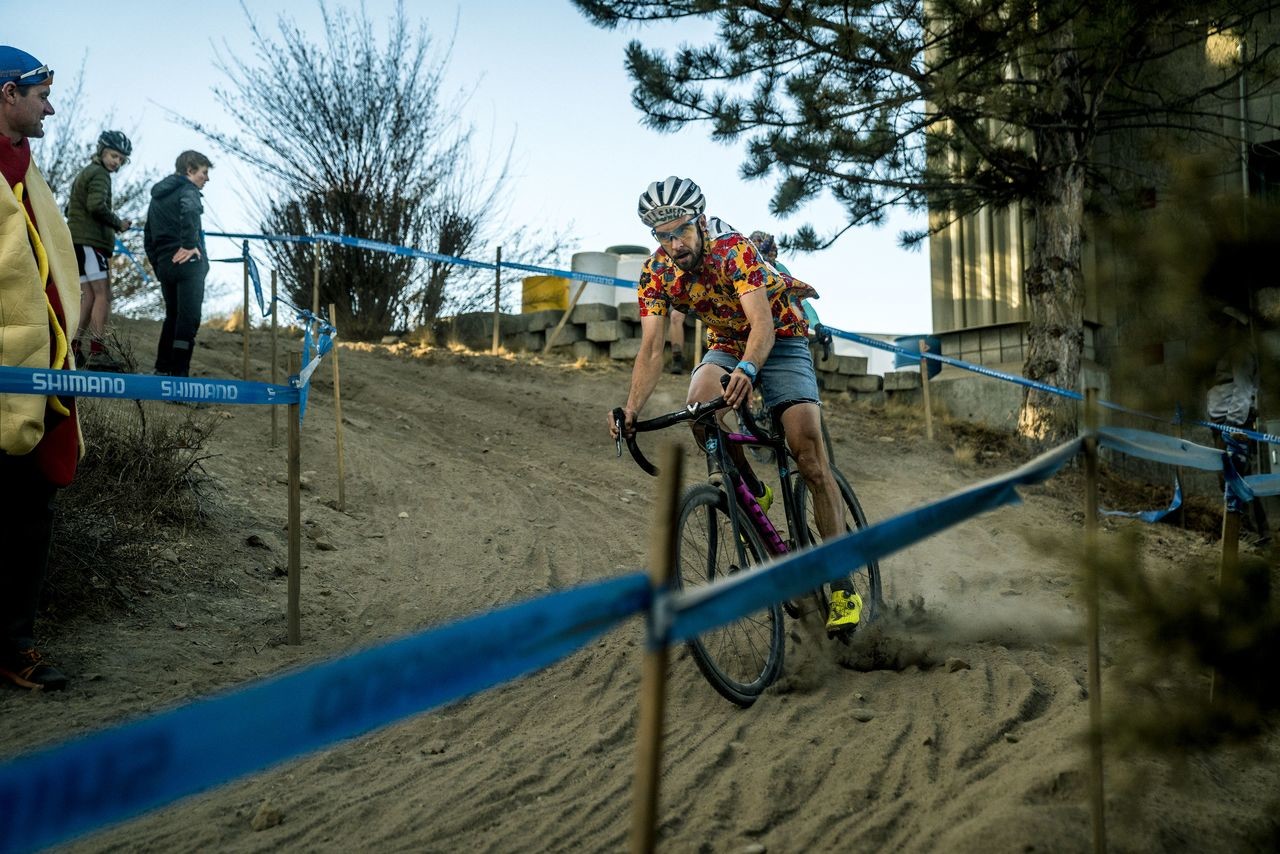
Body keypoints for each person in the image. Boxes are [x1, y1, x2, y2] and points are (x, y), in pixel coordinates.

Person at [608, 175, 862, 631]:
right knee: (698, 406)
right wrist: (630, 410)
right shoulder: (655, 272)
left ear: (700, 221)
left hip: (780, 337)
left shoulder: (733, 250)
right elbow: (651, 349)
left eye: (681, 230)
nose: (673, 244)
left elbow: (762, 326)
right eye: (662, 236)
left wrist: (748, 369)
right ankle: (750, 487)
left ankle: (842, 583)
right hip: (726, 341)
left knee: (806, 450)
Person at [0, 46, 82, 691]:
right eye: (41, 93)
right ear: (8, 94)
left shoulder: (31, 174)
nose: (49, 105)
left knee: (29, 515)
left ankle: (12, 647)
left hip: (40, 378)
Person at [67, 130, 133, 370]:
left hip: (78, 242)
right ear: (102, 151)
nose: (117, 162)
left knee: (89, 296)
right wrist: (119, 223)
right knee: (103, 294)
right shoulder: (100, 174)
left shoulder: (87, 172)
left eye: (121, 159)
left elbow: (70, 209)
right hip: (90, 242)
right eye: (114, 155)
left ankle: (73, 347)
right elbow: (96, 206)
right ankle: (98, 350)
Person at [1207, 305, 1270, 544]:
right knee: (1238, 476)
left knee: (1235, 478)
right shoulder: (1233, 349)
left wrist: (1231, 426)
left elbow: (1243, 391)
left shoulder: (1240, 350)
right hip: (1225, 420)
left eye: (1223, 324)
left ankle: (1247, 533)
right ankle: (1256, 532)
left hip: (1230, 423)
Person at [145, 150, 212, 377]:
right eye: (204, 172)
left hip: (166, 266)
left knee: (172, 316)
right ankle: (179, 376)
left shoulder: (157, 196)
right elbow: (191, 210)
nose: (207, 178)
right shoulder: (188, 190)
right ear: (190, 170)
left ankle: (162, 369)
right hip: (188, 264)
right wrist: (190, 244)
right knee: (189, 318)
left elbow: (148, 237)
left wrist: (159, 266)